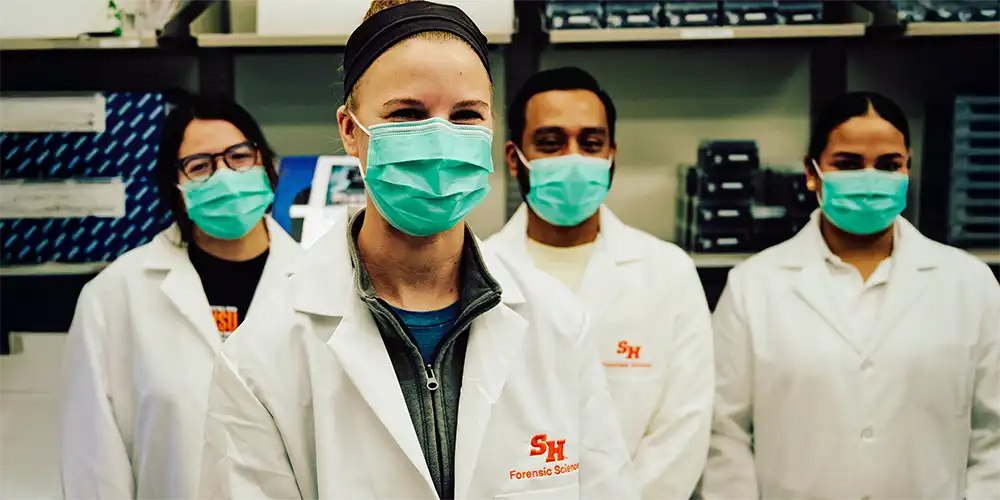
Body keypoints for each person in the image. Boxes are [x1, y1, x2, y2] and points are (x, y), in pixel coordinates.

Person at [196, 2, 637, 500]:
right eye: (407, 114)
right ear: (349, 131)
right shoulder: (263, 356)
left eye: (466, 115)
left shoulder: (557, 324)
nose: (441, 139)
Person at [698, 92, 1000, 500]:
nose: (870, 177)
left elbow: (993, 432)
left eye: (889, 165)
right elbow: (724, 433)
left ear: (908, 168)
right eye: (848, 163)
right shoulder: (754, 286)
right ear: (812, 171)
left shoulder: (969, 284)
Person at [485, 67, 713, 500]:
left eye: (590, 144)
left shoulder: (668, 271)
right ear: (515, 158)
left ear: (612, 154)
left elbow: (684, 424)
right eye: (551, 144)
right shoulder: (479, 274)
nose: (574, 158)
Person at [60, 95, 302, 500]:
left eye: (238, 156)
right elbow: (93, 461)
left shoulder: (321, 286)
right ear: (176, 187)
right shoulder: (116, 295)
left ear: (265, 163)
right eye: (200, 166)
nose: (224, 175)